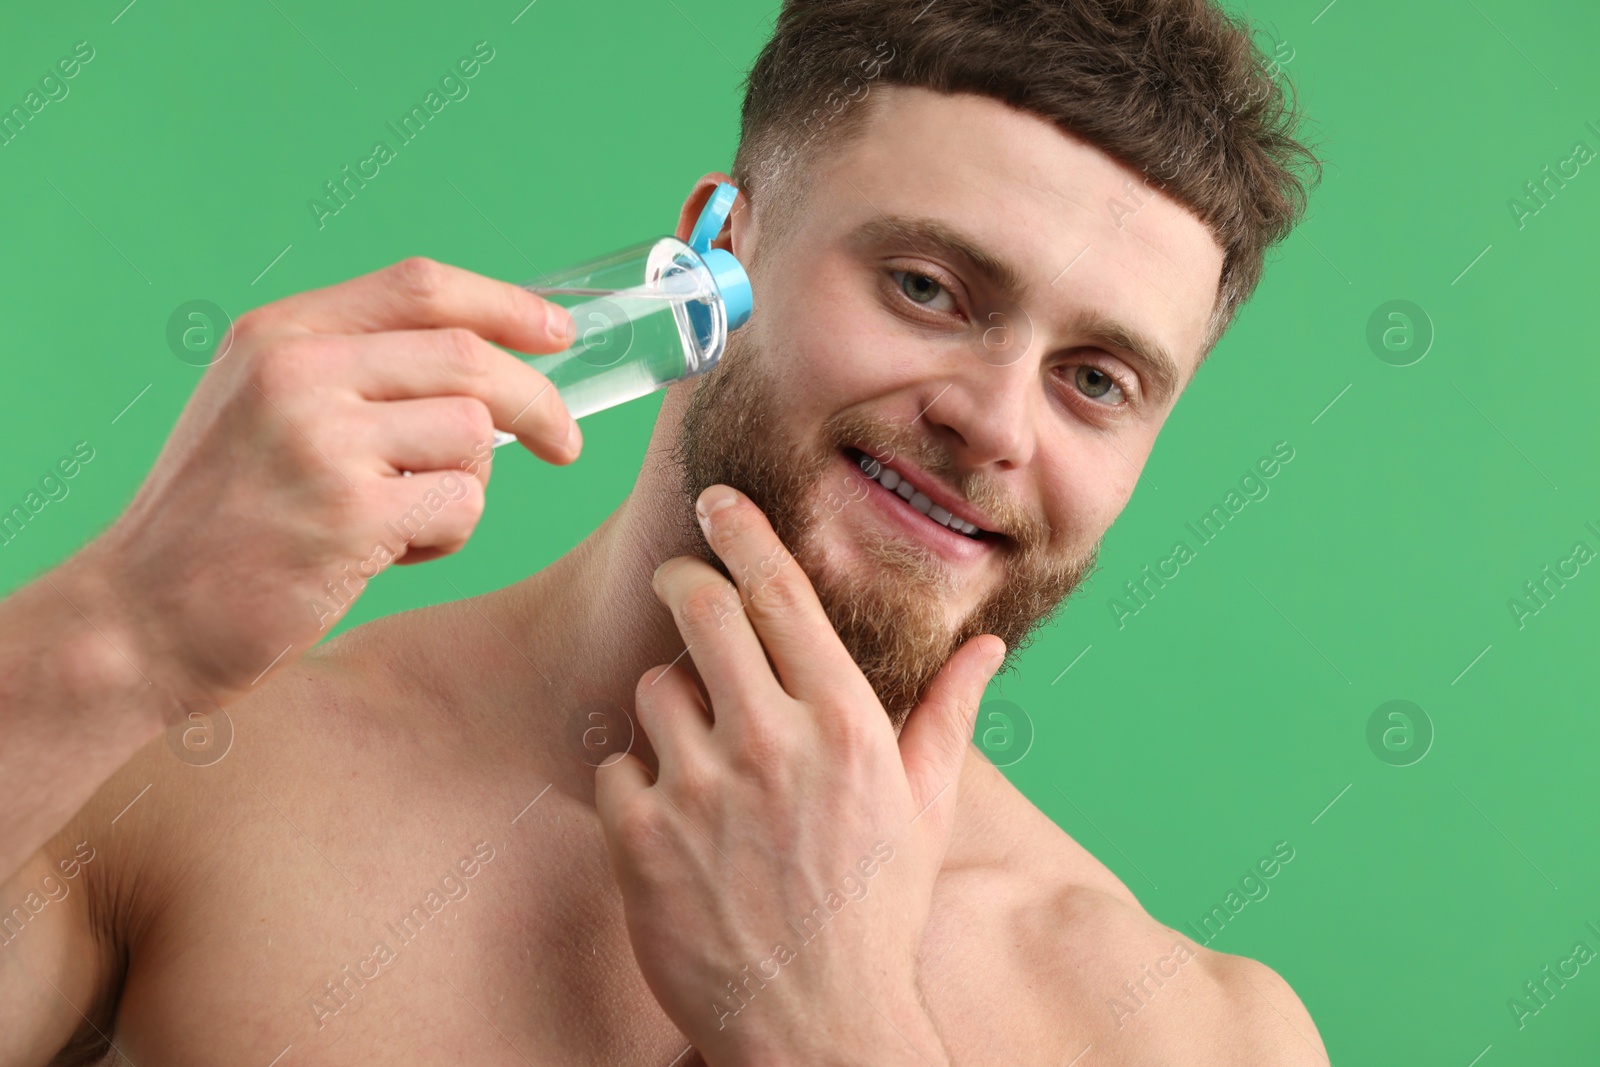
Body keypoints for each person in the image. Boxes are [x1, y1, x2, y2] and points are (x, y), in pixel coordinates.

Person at [0, 0, 1329, 1063]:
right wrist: (116, 636)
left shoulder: (1185, 1032)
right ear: (715, 246)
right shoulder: (170, 783)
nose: (996, 424)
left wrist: (835, 1034)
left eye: (1096, 381)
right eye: (927, 288)